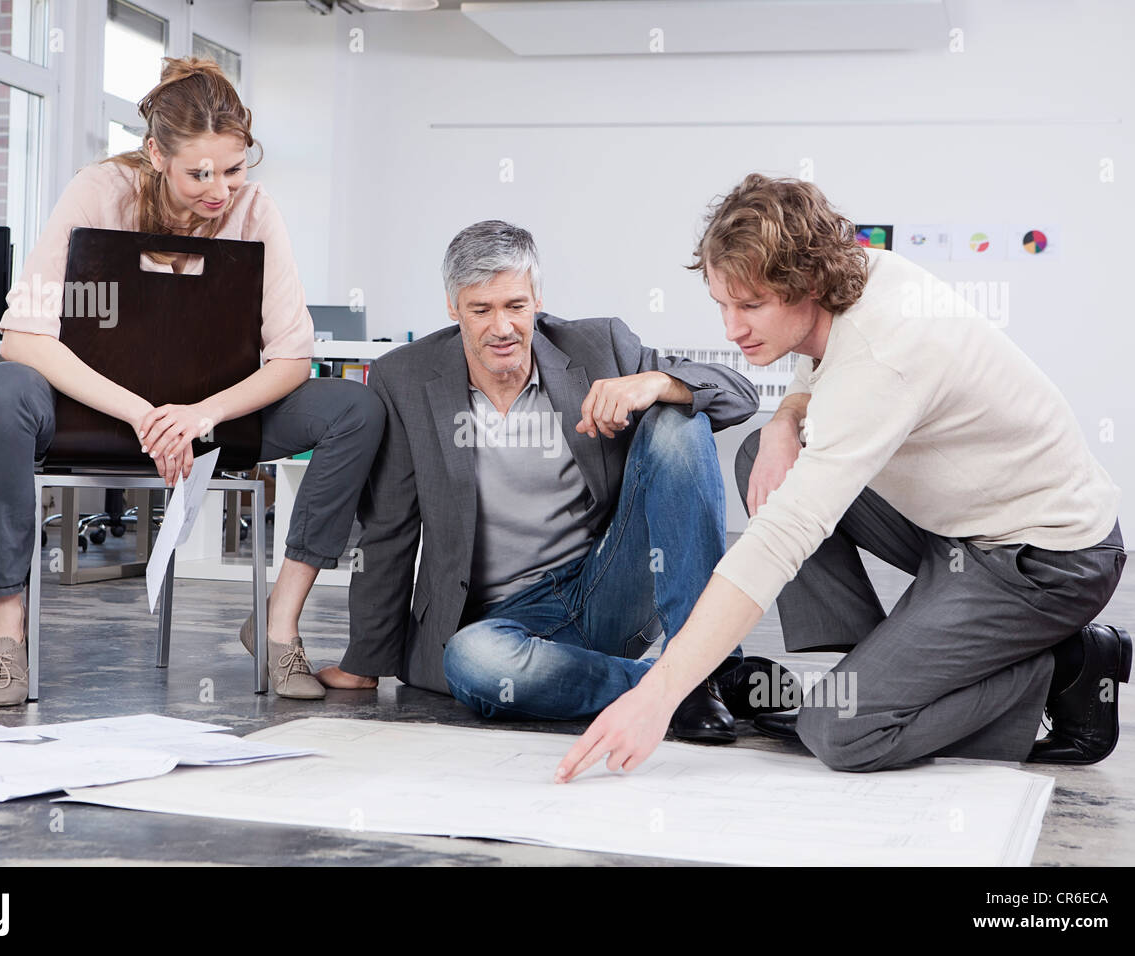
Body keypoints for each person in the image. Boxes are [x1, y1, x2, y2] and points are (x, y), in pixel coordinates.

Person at [556, 174, 1130, 781]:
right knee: (763, 455)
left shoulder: (885, 357)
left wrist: (659, 695)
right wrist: (782, 422)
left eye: (750, 306)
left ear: (807, 284)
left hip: (1047, 562)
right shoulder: (860, 272)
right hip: (963, 527)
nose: (732, 329)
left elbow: (781, 539)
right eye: (722, 304)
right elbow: (818, 374)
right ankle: (871, 668)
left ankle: (1066, 669)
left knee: (842, 732)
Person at [0, 57, 384, 706]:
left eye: (236, 168)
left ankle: (277, 624)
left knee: (356, 410)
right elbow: (23, 335)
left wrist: (199, 415)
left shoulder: (256, 210)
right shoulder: (98, 192)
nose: (221, 190)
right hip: (97, 412)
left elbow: (292, 359)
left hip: (212, 419)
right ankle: (6, 638)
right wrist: (143, 413)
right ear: (157, 154)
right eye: (201, 174)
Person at [321, 220, 790, 743]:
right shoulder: (404, 378)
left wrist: (657, 382)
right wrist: (365, 660)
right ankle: (682, 683)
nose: (502, 327)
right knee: (473, 662)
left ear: (537, 300)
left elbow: (739, 396)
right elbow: (389, 527)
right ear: (453, 307)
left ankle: (703, 659)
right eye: (482, 310)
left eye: (516, 306)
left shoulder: (599, 345)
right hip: (503, 625)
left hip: (607, 582)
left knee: (677, 419)